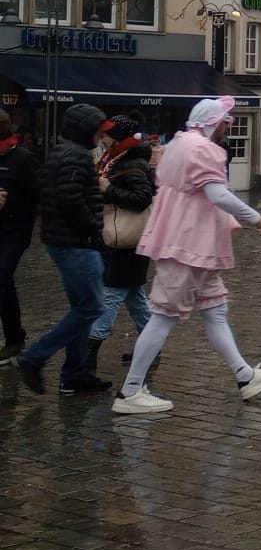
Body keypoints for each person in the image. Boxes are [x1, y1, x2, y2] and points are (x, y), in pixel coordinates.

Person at [111, 98, 261, 414]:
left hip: (191, 243)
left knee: (215, 310)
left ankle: (245, 376)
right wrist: (255, 217)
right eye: (225, 121)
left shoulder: (178, 145)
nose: (227, 127)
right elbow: (217, 194)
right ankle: (130, 391)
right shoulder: (202, 149)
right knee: (163, 316)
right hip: (189, 244)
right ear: (213, 121)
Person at [12, 103, 112, 396]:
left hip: (65, 242)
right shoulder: (75, 155)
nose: (100, 136)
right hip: (76, 245)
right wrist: (92, 229)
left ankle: (74, 375)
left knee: (82, 308)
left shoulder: (62, 152)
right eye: (97, 130)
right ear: (85, 130)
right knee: (91, 307)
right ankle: (35, 357)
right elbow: (70, 200)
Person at [90, 116, 156, 372]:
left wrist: (107, 190)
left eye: (107, 135)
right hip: (124, 241)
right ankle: (153, 343)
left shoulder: (132, 162)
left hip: (128, 242)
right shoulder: (114, 159)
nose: (103, 140)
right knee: (134, 298)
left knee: (111, 295)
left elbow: (141, 198)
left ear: (118, 138)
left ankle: (90, 349)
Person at [0, 109, 38, 366]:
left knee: (1, 279)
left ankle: (14, 341)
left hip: (15, 231)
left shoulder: (23, 159)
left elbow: (39, 195)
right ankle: (15, 339)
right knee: (5, 284)